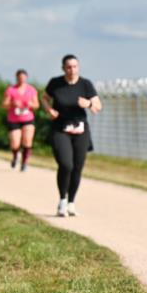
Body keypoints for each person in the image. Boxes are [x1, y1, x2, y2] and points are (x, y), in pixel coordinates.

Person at [41, 55, 102, 217]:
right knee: (66, 164)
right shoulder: (55, 83)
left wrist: (88, 104)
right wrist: (49, 110)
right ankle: (62, 200)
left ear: (78, 68)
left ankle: (71, 202)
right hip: (60, 128)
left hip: (80, 130)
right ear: (63, 68)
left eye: (75, 66)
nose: (72, 70)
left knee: (77, 167)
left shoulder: (85, 84)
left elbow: (98, 106)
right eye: (68, 67)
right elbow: (45, 98)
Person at [3, 69, 39, 172]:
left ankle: (24, 162)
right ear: (17, 78)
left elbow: (37, 105)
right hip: (14, 119)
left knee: (27, 141)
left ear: (26, 78)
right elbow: (4, 104)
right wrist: (12, 104)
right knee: (15, 143)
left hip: (28, 118)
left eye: (23, 78)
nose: (22, 80)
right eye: (20, 78)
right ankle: (15, 156)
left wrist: (30, 104)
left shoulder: (31, 90)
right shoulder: (11, 90)